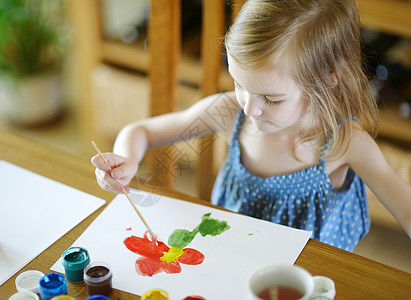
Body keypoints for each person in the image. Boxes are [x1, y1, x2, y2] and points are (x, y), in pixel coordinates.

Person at [92, 0, 411, 251]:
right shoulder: (228, 113)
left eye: (271, 98)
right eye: (238, 83)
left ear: (326, 81)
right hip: (228, 263)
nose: (250, 106)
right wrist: (126, 160)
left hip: (304, 282)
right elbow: (140, 132)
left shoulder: (344, 142)